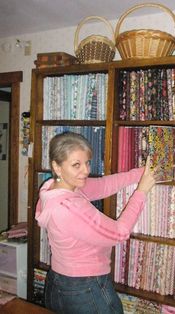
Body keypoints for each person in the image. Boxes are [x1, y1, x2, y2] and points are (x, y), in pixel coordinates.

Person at [35, 131, 159, 314]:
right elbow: (119, 233)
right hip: (85, 287)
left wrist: (141, 173)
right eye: (76, 165)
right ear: (57, 167)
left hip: (58, 282)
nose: (85, 170)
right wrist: (142, 191)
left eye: (87, 162)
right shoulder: (68, 207)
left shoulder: (52, 188)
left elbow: (103, 185)